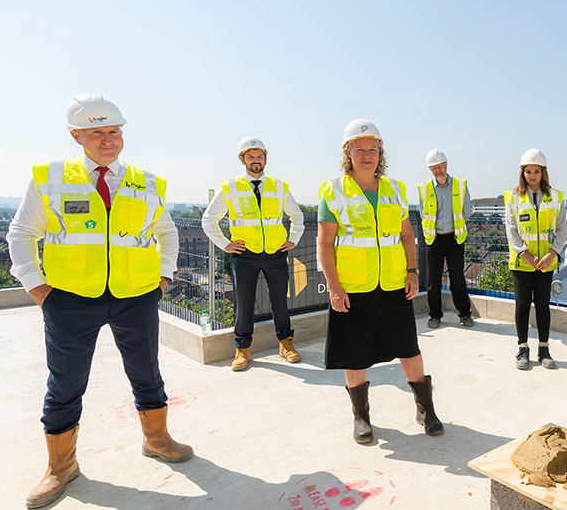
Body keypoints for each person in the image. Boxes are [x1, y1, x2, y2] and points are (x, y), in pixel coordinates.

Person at [7, 93, 192, 510]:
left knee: (147, 373)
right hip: (70, 300)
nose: (108, 140)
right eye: (97, 132)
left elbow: (167, 232)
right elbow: (20, 235)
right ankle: (61, 466)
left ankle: (157, 439)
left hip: (136, 297)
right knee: (66, 384)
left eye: (114, 131)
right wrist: (38, 289)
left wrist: (163, 276)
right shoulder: (51, 177)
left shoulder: (146, 183)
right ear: (77, 136)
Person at [317, 119, 444, 444]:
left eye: (373, 149)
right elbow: (324, 244)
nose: (367, 155)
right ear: (348, 153)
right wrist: (334, 287)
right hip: (353, 288)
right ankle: (361, 417)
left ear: (380, 153)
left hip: (392, 284)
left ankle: (425, 409)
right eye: (359, 149)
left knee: (409, 349)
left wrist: (412, 271)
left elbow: (406, 234)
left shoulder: (396, 189)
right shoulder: (332, 192)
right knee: (355, 354)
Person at [202, 136, 305, 371]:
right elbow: (209, 219)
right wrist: (224, 244)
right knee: (243, 302)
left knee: (280, 300)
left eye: (259, 156)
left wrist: (293, 240)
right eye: (251, 156)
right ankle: (242, 350)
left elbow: (297, 215)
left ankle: (286, 345)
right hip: (244, 254)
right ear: (242, 159)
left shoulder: (279, 186)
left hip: (275, 252)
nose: (256, 160)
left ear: (266, 159)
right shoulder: (230, 187)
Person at [504, 149, 566, 371]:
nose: (532, 175)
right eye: (528, 171)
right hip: (522, 263)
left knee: (542, 305)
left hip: (545, 262)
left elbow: (561, 229)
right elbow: (511, 230)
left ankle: (543, 349)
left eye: (536, 171)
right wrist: (526, 255)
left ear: (543, 172)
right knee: (522, 305)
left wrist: (552, 254)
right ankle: (522, 348)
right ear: (522, 173)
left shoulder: (556, 197)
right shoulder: (512, 197)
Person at [418, 149, 474, 329]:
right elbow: (422, 212)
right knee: (433, 279)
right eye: (433, 168)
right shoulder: (424, 188)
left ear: (446, 165)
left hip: (454, 238)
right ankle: (435, 315)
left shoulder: (460, 184)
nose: (437, 170)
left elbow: (466, 211)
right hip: (433, 239)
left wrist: (455, 229)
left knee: (457, 278)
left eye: (439, 166)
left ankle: (465, 314)